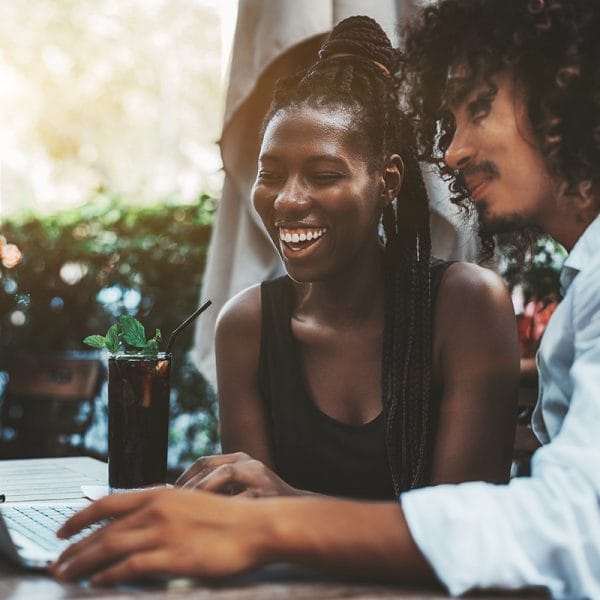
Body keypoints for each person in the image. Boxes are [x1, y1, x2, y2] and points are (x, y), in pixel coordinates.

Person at [50, 1, 600, 595]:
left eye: (478, 109)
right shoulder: (583, 291)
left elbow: (564, 524)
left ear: (559, 101)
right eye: (451, 120)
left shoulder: (479, 302)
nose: (452, 151)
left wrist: (276, 521)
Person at [175, 16, 518, 501]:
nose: (287, 200)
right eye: (270, 172)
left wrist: (286, 502)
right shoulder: (247, 326)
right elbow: (252, 520)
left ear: (388, 182)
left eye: (323, 174)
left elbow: (465, 533)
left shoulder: (466, 306)